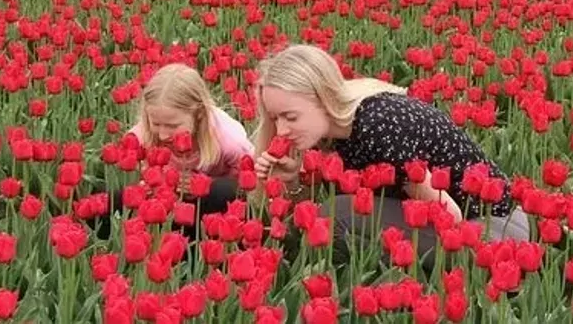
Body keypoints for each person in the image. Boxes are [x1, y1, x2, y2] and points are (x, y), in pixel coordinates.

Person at [251, 44, 531, 267]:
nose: (282, 130)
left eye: (290, 116)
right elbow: (307, 212)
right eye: (275, 118)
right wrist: (291, 180)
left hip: (491, 231)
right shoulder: (333, 133)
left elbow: (451, 216)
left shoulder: (379, 126)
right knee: (331, 216)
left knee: (336, 214)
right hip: (470, 228)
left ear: (324, 99)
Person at [95, 63, 254, 239]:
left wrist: (208, 185)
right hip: (168, 202)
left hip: (210, 205)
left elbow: (249, 187)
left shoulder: (229, 140)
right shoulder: (140, 137)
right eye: (156, 123)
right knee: (113, 202)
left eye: (172, 126)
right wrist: (146, 181)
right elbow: (135, 176)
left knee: (220, 196)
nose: (163, 135)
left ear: (199, 115)